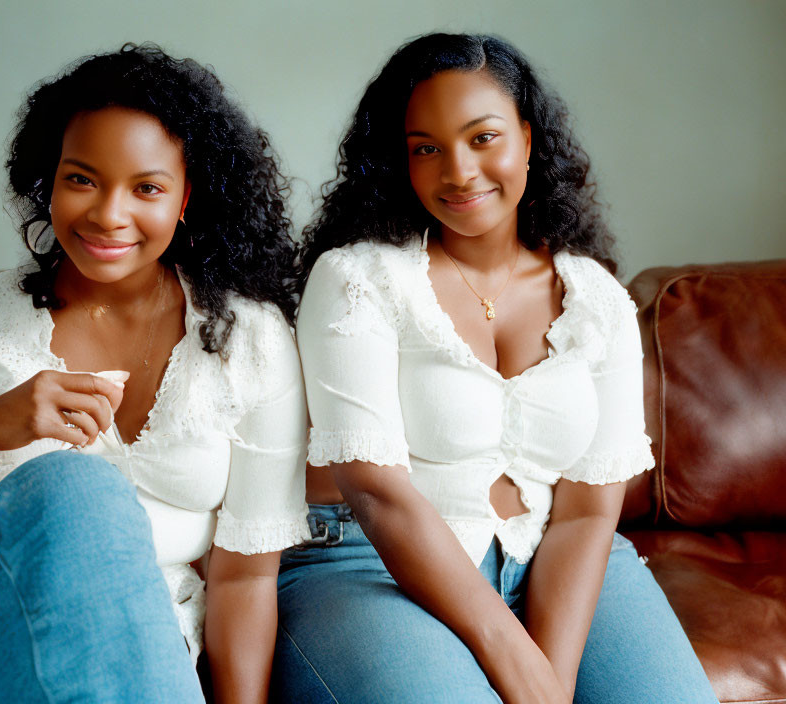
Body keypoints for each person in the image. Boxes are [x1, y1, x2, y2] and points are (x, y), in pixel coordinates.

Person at [274, 33, 718, 704]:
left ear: (529, 138)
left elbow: (587, 514)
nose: (457, 172)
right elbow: (379, 493)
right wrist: (509, 652)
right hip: (368, 560)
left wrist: (553, 681)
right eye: (426, 148)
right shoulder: (358, 279)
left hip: (553, 556)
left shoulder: (596, 299)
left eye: (483, 138)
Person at [0, 44, 309, 704]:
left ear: (185, 197)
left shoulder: (250, 340)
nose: (109, 215)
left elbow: (243, 580)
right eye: (82, 179)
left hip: (147, 652)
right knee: (70, 486)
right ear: (48, 181)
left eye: (146, 188)